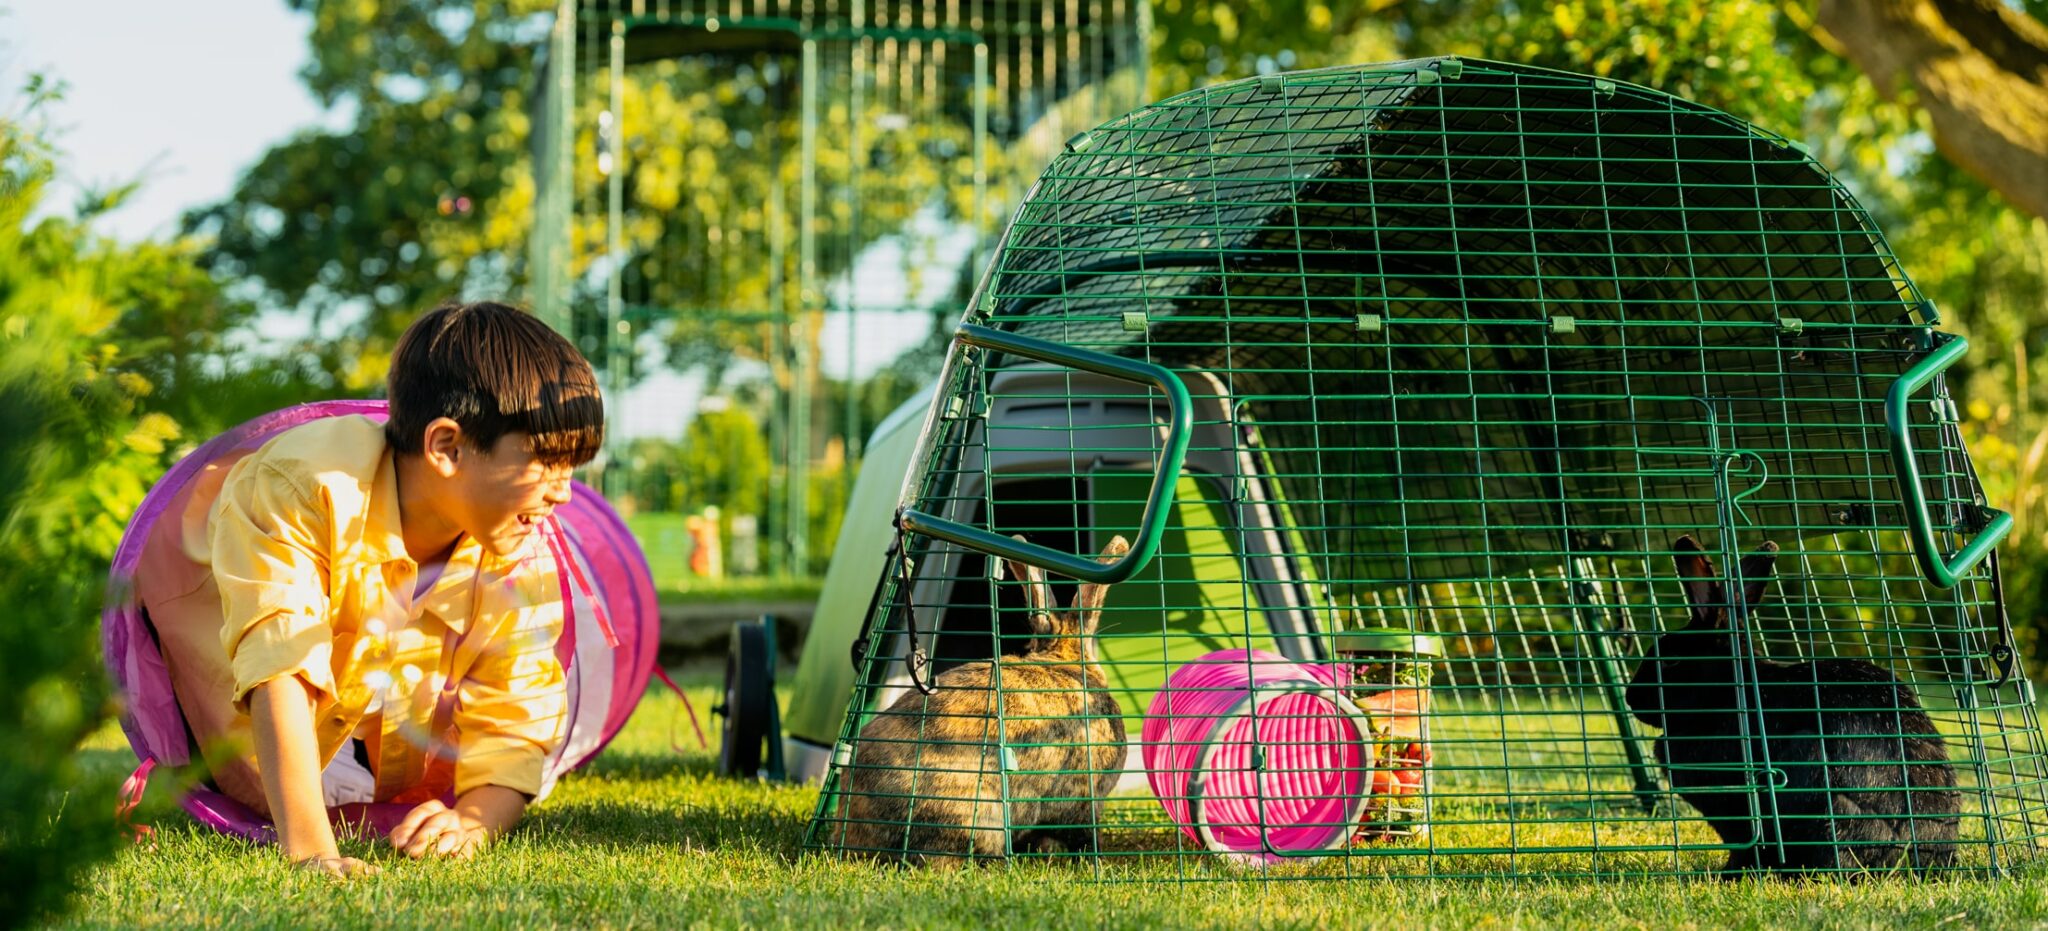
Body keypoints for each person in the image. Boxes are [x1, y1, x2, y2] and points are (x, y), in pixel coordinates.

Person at [137, 301, 603, 876]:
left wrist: (475, 819)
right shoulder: (306, 487)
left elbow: (517, 712)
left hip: (375, 715)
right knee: (296, 764)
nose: (564, 494)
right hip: (238, 708)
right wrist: (312, 853)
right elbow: (279, 664)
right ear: (447, 448)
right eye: (545, 464)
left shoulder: (513, 544)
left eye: (572, 468)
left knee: (381, 770)